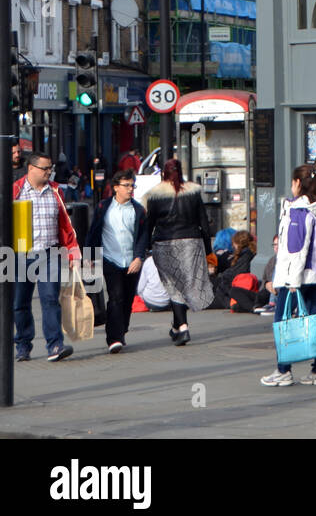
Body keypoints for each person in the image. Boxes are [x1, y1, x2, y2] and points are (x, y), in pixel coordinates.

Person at [261, 167, 316, 386]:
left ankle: (283, 370)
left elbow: (296, 247)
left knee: (282, 320)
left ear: (296, 183)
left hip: (297, 274)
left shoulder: (298, 209)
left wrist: (292, 281)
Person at [12, 151, 80, 362]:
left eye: (50, 168)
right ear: (31, 168)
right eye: (45, 168)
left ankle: (55, 345)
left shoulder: (56, 191)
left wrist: (72, 250)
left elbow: (65, 225)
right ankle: (23, 345)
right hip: (20, 254)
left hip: (49, 252)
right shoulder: (16, 190)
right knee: (19, 303)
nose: (49, 172)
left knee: (50, 298)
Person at [142, 158, 213, 346]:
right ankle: (176, 326)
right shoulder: (193, 192)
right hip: (191, 241)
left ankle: (182, 327)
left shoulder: (156, 195)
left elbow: (149, 223)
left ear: (164, 173)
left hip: (165, 242)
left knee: (173, 285)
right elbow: (203, 222)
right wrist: (208, 248)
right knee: (185, 284)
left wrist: (145, 246)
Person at [87, 170, 148, 353]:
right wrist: (89, 256)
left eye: (132, 185)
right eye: (126, 185)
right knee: (116, 297)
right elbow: (94, 232)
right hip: (110, 259)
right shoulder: (103, 207)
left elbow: (143, 236)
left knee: (128, 299)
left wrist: (139, 257)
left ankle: (121, 330)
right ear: (115, 188)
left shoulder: (138, 210)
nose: (130, 189)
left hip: (131, 261)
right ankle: (114, 338)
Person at [212, 230, 257, 308]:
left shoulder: (245, 256)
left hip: (230, 291)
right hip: (229, 287)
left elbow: (234, 274)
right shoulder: (246, 255)